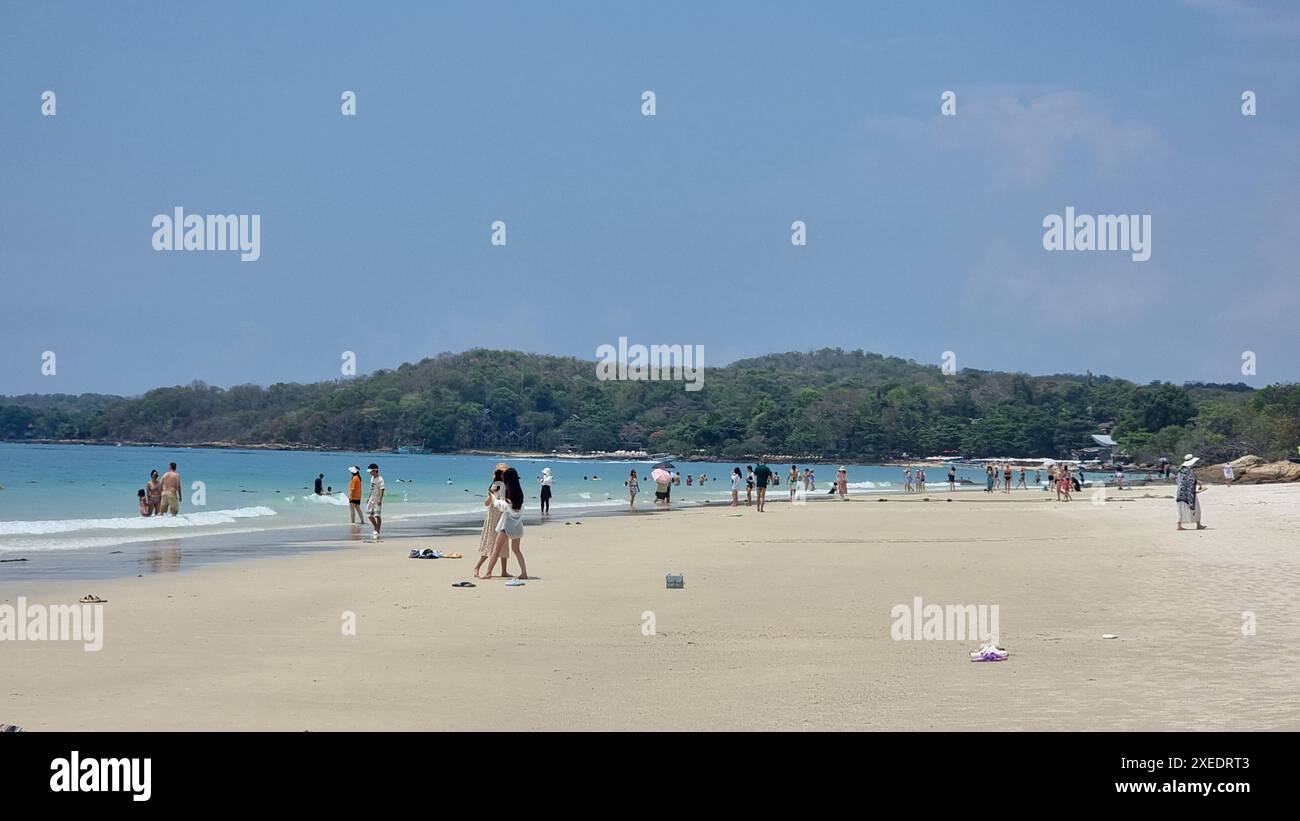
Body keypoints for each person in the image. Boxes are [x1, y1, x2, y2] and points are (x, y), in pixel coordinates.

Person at [483, 468, 528, 580]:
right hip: (518, 526)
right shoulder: (520, 494)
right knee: (517, 550)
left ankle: (488, 573)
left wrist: (492, 495)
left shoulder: (508, 494)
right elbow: (518, 510)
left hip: (506, 526)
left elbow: (499, 505)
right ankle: (524, 573)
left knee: (496, 550)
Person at [474, 464, 509, 578]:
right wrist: (491, 496)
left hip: (503, 516)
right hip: (493, 516)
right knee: (491, 542)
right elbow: (486, 503)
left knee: (504, 543)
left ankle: (504, 570)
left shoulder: (507, 486)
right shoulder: (494, 486)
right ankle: (477, 567)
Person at [1176, 455, 1207, 530]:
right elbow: (1191, 480)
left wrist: (1198, 482)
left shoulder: (1181, 469)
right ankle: (1198, 524)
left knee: (1181, 509)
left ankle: (1179, 525)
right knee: (1197, 508)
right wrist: (1200, 486)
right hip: (1189, 493)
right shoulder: (1187, 470)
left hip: (1180, 492)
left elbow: (1183, 480)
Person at [365, 463, 385, 541]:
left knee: (377, 515)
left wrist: (380, 499)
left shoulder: (380, 479)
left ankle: (377, 530)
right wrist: (369, 497)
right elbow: (372, 489)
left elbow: (382, 490)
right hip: (371, 499)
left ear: (374, 471)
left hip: (377, 499)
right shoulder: (372, 478)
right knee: (369, 515)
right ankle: (376, 527)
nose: (370, 473)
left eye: (371, 471)